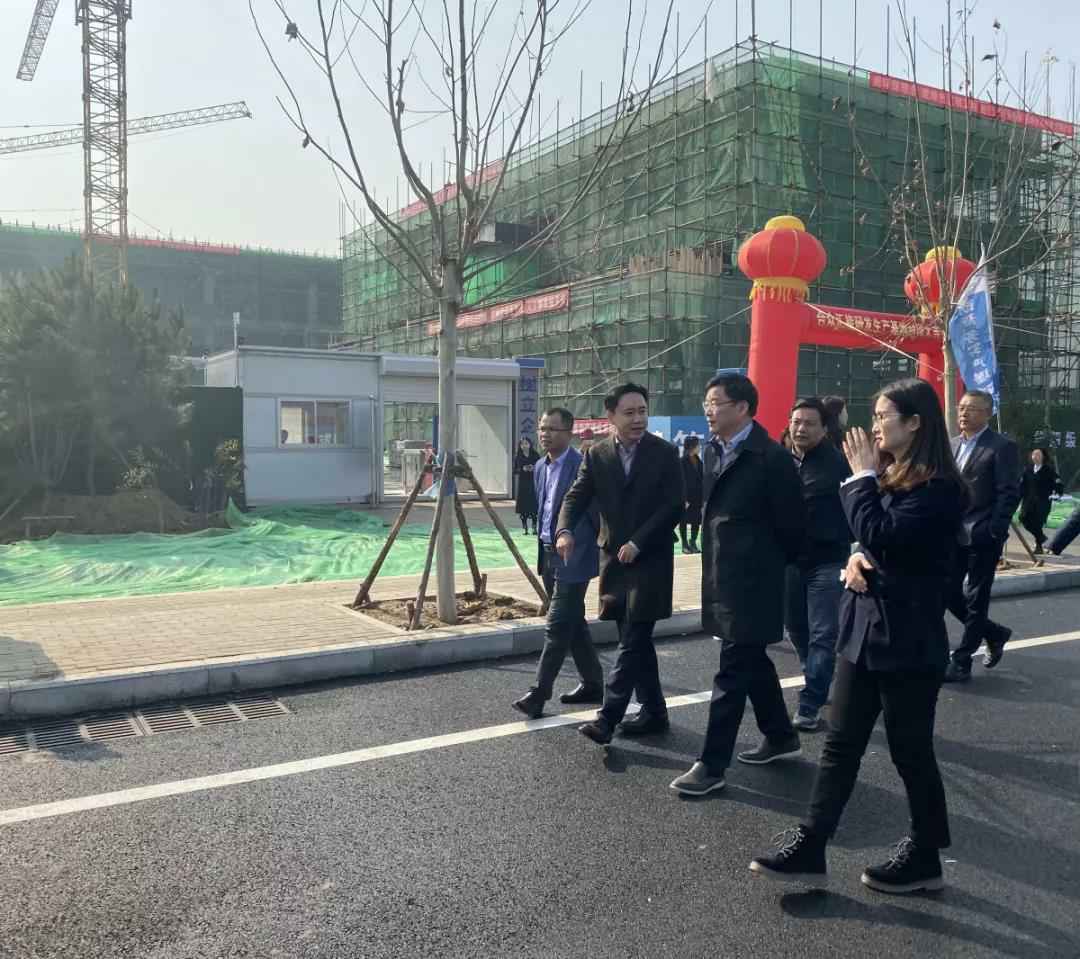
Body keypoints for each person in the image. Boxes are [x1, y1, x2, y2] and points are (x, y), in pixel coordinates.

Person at [750, 378, 966, 894]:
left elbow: (887, 535)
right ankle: (812, 844)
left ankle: (925, 854)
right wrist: (855, 557)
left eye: (884, 416)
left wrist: (863, 479)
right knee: (839, 745)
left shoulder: (940, 488)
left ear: (915, 422)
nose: (874, 426)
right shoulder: (891, 476)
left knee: (910, 752)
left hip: (908, 642)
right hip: (862, 634)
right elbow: (872, 540)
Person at [669, 373, 805, 797]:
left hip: (755, 582)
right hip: (722, 575)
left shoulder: (771, 458)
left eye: (716, 403)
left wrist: (762, 564)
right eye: (707, 403)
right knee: (752, 661)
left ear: (742, 408)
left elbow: (792, 527)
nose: (708, 411)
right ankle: (780, 736)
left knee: (731, 671)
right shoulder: (714, 450)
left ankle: (712, 765)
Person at [556, 382, 684, 745]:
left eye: (642, 411)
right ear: (610, 415)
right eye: (629, 413)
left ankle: (607, 719)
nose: (638, 419)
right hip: (614, 559)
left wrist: (638, 541)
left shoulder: (664, 452)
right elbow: (576, 495)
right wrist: (564, 530)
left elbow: (674, 506)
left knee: (633, 639)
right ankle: (655, 711)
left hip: (651, 558)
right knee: (633, 638)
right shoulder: (597, 454)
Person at [512, 409, 604, 718]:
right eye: (542, 428)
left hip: (575, 554)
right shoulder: (540, 466)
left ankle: (538, 693)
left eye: (552, 429)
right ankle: (593, 682)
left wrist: (582, 540)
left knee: (556, 623)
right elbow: (544, 509)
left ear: (569, 432)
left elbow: (593, 511)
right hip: (549, 552)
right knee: (572, 621)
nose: (545, 434)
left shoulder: (583, 465)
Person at [784, 397, 852, 732]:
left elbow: (856, 506)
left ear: (824, 428)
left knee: (823, 634)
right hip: (791, 561)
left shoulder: (837, 464)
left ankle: (810, 703)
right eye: (796, 422)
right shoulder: (782, 461)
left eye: (809, 423)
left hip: (828, 560)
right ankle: (814, 673)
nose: (801, 429)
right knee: (795, 626)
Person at [943, 390, 1021, 683]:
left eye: (972, 409)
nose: (964, 413)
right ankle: (994, 632)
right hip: (952, 533)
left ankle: (962, 661)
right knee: (947, 592)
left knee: (977, 598)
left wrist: (994, 530)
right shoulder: (951, 445)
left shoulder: (1001, 446)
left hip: (982, 533)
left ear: (988, 413)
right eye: (962, 407)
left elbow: (1009, 492)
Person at [1019, 448, 1063, 554]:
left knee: (1038, 523)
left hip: (1042, 502)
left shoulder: (1048, 470)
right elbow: (1022, 486)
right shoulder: (1028, 470)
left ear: (1043, 457)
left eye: (1038, 454)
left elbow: (1057, 483)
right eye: (1034, 454)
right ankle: (1044, 539)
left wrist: (1058, 493)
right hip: (1028, 502)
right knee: (1023, 518)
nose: (1035, 456)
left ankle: (1039, 548)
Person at [680, 435, 704, 554]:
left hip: (697, 497)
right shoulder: (682, 461)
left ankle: (693, 542)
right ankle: (684, 544)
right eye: (698, 445)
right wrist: (683, 499)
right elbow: (680, 481)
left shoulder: (699, 461)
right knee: (683, 521)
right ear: (692, 447)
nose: (700, 447)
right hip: (686, 498)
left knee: (696, 521)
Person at [513, 436, 541, 534]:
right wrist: (522, 469)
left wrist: (534, 468)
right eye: (522, 444)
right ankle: (525, 527)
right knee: (523, 507)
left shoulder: (535, 455)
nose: (524, 446)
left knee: (533, 506)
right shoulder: (518, 456)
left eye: (526, 443)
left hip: (533, 483)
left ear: (530, 444)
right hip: (523, 484)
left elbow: (541, 466)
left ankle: (534, 527)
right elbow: (515, 470)